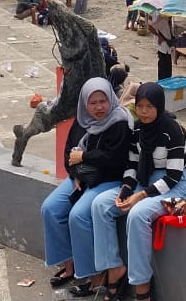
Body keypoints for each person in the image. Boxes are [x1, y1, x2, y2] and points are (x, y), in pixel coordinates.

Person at [90, 82, 186, 301]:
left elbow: (173, 176)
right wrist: (126, 190)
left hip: (178, 191)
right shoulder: (137, 130)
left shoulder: (173, 130)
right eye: (140, 106)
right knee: (100, 205)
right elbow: (131, 165)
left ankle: (142, 288)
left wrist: (140, 196)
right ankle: (113, 269)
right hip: (145, 182)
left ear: (159, 106)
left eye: (149, 106)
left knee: (138, 214)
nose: (144, 111)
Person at [41, 78, 133, 297]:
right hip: (81, 177)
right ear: (84, 103)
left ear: (111, 98)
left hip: (107, 180)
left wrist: (83, 157)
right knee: (50, 209)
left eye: (103, 101)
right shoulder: (82, 121)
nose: (99, 107)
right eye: (93, 103)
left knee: (78, 216)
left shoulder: (119, 122)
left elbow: (115, 161)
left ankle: (94, 276)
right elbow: (68, 154)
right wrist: (75, 173)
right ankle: (71, 265)